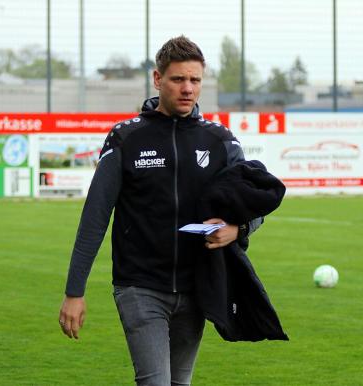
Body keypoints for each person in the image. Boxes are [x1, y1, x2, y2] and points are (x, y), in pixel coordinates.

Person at [58, 35, 261, 386]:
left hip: (197, 287)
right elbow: (95, 216)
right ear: (157, 79)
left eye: (195, 80)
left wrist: (238, 230)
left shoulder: (220, 140)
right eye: (178, 79)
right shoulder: (126, 138)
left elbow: (254, 200)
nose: (187, 89)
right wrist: (75, 291)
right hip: (140, 286)